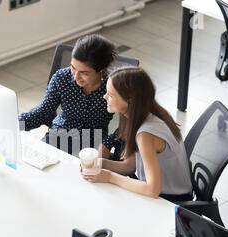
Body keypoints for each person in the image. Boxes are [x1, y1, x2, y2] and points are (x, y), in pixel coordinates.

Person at [81, 67, 193, 202]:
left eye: (110, 94)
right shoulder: (147, 114)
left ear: (130, 100)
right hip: (169, 190)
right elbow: (131, 166)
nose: (105, 97)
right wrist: (101, 163)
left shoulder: (145, 135)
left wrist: (110, 177)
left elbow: (152, 190)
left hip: (171, 200)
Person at [19, 34, 117, 156]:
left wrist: (107, 144)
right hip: (59, 135)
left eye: (84, 73)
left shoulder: (114, 86)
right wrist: (14, 123)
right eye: (73, 67)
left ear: (101, 70)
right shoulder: (61, 78)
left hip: (92, 144)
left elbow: (130, 123)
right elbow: (43, 112)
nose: (75, 76)